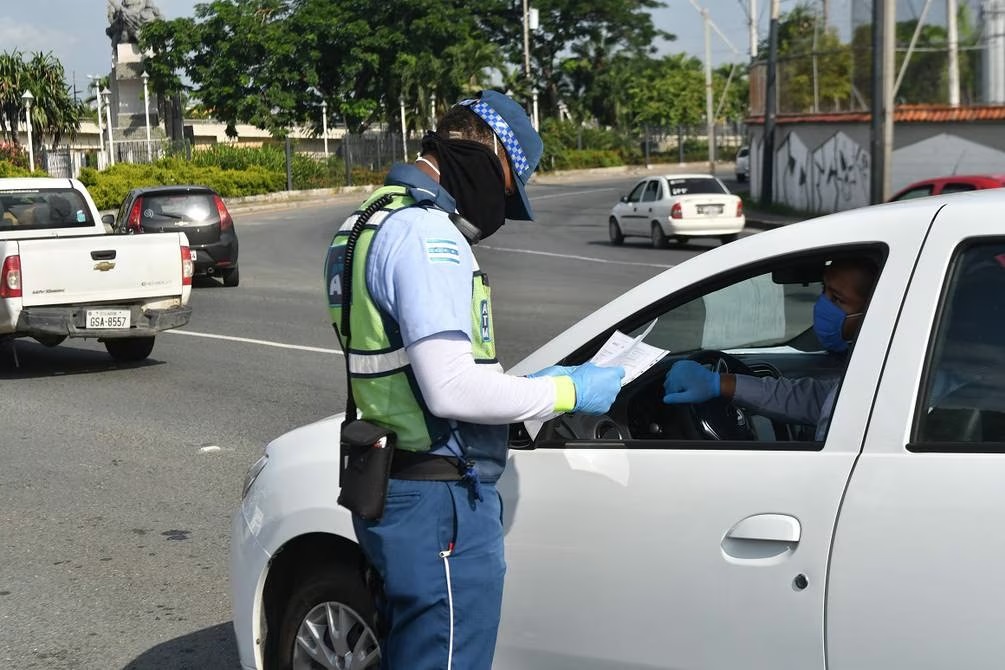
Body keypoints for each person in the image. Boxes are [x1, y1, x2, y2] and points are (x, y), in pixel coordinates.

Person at [325, 90, 624, 670]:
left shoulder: (366, 219)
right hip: (441, 498)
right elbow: (451, 389)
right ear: (485, 149)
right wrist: (569, 390)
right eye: (511, 186)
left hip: (397, 481)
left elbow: (412, 368)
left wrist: (525, 383)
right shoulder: (428, 235)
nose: (503, 207)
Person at [661, 258, 879, 440]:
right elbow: (817, 401)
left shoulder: (890, 378)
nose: (823, 305)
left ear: (876, 306)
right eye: (824, 291)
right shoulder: (873, 367)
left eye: (837, 299)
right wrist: (718, 383)